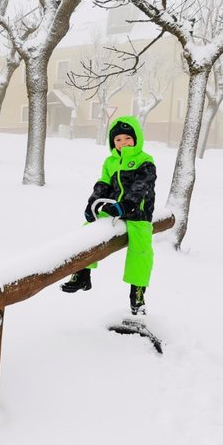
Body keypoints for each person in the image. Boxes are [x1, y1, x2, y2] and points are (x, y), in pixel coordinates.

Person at [61, 115, 157, 315]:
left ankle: (137, 292)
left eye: (127, 138)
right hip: (114, 210)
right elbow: (103, 184)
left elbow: (142, 187)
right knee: (89, 233)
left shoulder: (144, 161)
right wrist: (92, 203)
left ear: (136, 138)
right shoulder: (110, 162)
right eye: (118, 140)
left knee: (141, 249)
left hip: (138, 212)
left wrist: (127, 205)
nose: (123, 143)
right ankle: (82, 274)